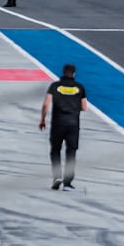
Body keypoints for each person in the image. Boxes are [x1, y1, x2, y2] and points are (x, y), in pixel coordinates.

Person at [39, 63, 88, 191]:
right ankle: (67, 182)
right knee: (71, 152)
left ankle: (57, 177)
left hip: (58, 124)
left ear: (63, 72)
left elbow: (46, 104)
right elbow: (84, 107)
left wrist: (42, 119)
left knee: (55, 150)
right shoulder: (80, 87)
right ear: (74, 74)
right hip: (73, 125)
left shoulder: (55, 86)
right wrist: (73, 107)